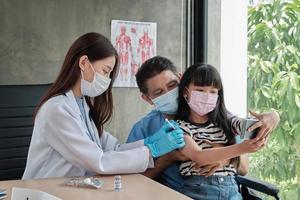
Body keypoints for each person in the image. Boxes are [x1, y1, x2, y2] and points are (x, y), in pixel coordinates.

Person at [22, 33, 185, 180]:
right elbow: (98, 161)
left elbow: (113, 148)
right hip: (45, 191)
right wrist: (152, 150)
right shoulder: (56, 110)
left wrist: (148, 142)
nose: (106, 80)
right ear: (84, 63)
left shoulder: (82, 107)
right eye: (105, 71)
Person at [127, 56, 280, 192]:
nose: (169, 93)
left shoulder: (219, 116)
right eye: (159, 92)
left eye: (173, 85)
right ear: (147, 99)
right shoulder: (144, 129)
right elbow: (132, 181)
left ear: (181, 80)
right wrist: (168, 159)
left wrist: (272, 116)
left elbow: (244, 168)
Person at [176, 63, 270, 199]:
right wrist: (241, 148)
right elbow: (199, 156)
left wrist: (265, 122)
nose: (207, 96)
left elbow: (245, 126)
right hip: (198, 189)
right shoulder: (179, 127)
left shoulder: (226, 122)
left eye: (213, 92)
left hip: (231, 188)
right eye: (200, 90)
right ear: (185, 92)